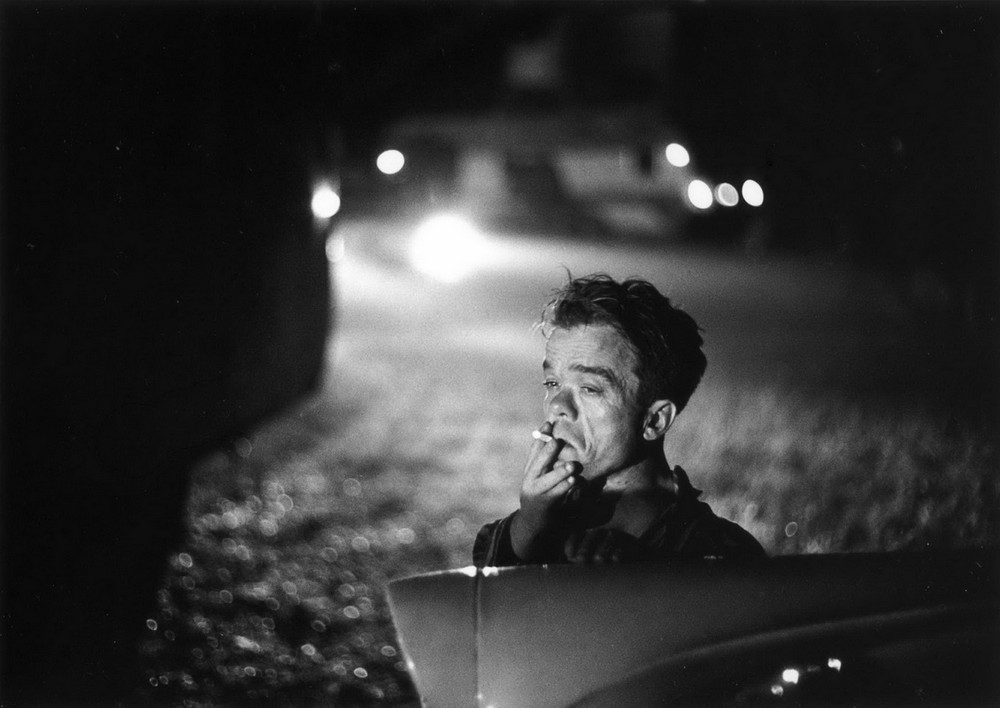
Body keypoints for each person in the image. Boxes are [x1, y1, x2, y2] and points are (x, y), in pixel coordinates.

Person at [473, 274, 764, 566]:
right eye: (552, 383)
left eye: (589, 388)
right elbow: (483, 582)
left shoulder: (721, 554)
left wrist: (639, 577)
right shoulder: (538, 522)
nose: (557, 406)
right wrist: (529, 527)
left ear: (654, 420)